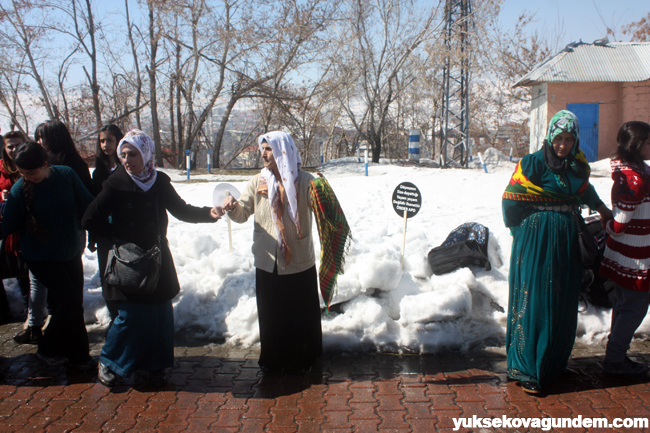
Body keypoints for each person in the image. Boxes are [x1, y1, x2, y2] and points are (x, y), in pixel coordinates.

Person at [82, 129, 223, 387]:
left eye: (133, 154)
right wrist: (117, 241)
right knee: (131, 316)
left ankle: (154, 366)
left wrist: (210, 213)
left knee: (160, 314)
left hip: (157, 260)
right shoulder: (115, 184)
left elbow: (182, 210)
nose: (127, 160)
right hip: (129, 263)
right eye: (123, 154)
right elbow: (90, 217)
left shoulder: (157, 182)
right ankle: (110, 361)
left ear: (145, 154)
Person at [502, 110, 612, 394]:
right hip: (536, 238)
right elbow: (510, 202)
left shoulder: (576, 165)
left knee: (562, 300)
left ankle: (553, 364)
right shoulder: (532, 164)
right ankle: (528, 369)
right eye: (558, 138)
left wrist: (600, 209)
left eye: (568, 139)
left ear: (575, 140)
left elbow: (585, 191)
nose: (562, 145)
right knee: (538, 300)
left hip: (565, 240)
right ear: (549, 137)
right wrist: (522, 234)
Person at [223, 131, 323, 374]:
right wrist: (232, 207)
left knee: (300, 314)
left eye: (268, 149)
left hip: (299, 260)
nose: (263, 153)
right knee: (272, 315)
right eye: (262, 149)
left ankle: (304, 360)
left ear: (283, 151)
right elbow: (243, 213)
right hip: (268, 261)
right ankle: (273, 361)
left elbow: (323, 214)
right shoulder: (258, 182)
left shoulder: (306, 181)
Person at [2, 142, 95, 368]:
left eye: (32, 173)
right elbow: (9, 225)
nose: (28, 177)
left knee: (74, 304)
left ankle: (79, 356)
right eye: (23, 174)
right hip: (40, 256)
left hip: (70, 251)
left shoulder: (66, 175)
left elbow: (88, 205)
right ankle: (48, 349)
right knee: (69, 302)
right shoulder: (19, 190)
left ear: (45, 164)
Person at [599, 121, 650, 377]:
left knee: (624, 305)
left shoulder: (634, 170)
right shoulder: (633, 179)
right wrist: (607, 223)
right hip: (635, 257)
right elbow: (619, 224)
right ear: (637, 146)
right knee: (633, 308)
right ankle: (615, 360)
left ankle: (615, 355)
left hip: (630, 252)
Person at [90, 124, 124, 321]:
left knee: (124, 273)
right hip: (104, 232)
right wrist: (93, 235)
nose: (105, 145)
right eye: (102, 141)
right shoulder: (99, 172)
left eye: (109, 140)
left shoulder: (126, 166)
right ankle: (114, 316)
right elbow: (95, 205)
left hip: (123, 230)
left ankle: (126, 316)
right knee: (107, 274)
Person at [0, 131, 31, 327]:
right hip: (6, 227)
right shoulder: (0, 169)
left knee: (27, 271)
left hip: (27, 226)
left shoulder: (29, 166)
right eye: (10, 146)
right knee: (10, 266)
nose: (13, 150)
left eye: (17, 145)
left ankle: (32, 311)